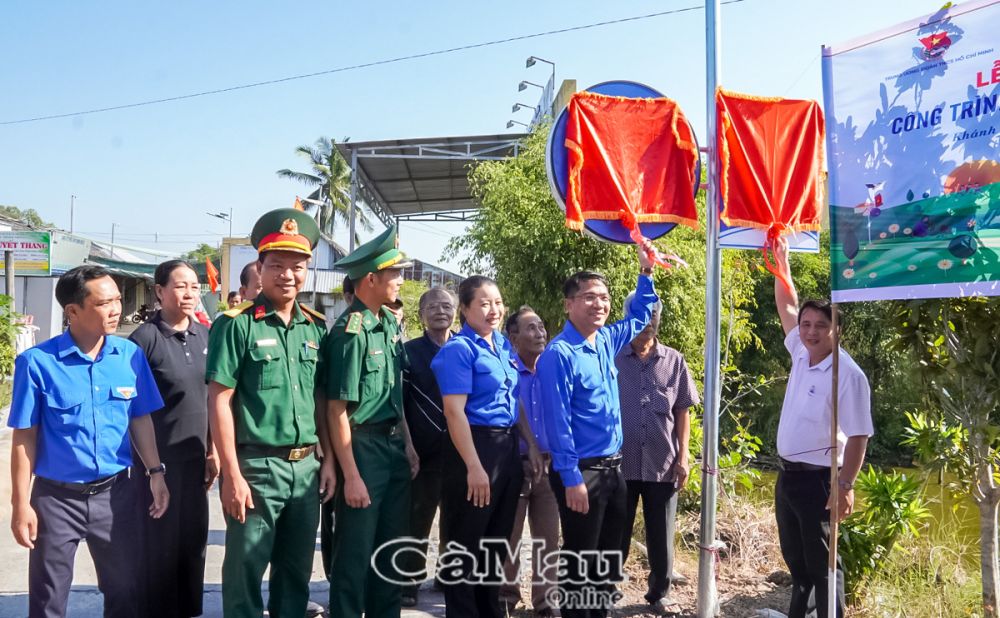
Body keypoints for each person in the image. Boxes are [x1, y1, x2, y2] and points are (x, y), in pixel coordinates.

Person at [8, 264, 169, 618]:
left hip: (117, 496)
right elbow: (25, 438)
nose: (116, 310)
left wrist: (156, 472)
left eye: (117, 300)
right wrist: (21, 505)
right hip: (55, 499)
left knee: (126, 590)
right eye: (104, 303)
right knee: (48, 597)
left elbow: (139, 418)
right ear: (73, 311)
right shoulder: (37, 363)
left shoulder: (128, 357)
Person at [206, 208, 335, 618]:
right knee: (245, 569)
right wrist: (231, 475)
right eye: (276, 266)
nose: (288, 275)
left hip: (306, 466)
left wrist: (327, 458)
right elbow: (219, 400)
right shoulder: (236, 325)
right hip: (257, 467)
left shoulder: (315, 327)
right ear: (259, 269)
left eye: (297, 267)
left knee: (295, 571)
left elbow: (319, 398)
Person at [538, 245, 658, 618]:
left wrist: (646, 272)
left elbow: (639, 316)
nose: (599, 305)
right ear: (568, 305)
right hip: (582, 472)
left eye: (604, 298)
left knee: (608, 560)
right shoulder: (559, 354)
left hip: (613, 470)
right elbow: (557, 422)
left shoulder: (604, 341)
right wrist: (571, 478)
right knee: (580, 561)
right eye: (589, 297)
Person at [771, 239, 872, 618]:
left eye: (821, 326)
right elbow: (788, 305)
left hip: (821, 481)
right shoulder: (800, 350)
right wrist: (783, 264)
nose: (811, 332)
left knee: (824, 565)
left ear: (836, 329)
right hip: (788, 476)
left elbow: (859, 434)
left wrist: (845, 485)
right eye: (807, 325)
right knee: (797, 561)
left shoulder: (847, 374)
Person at [323, 226, 419, 618]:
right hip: (361, 450)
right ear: (371, 279)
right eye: (394, 274)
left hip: (393, 446)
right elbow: (336, 411)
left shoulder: (386, 325)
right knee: (355, 552)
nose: (400, 280)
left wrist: (408, 445)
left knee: (390, 548)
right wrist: (353, 475)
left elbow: (393, 395)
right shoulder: (351, 332)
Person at [431, 276, 535, 618]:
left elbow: (512, 400)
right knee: (467, 543)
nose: (495, 310)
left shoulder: (503, 345)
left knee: (496, 542)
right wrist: (474, 466)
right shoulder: (459, 350)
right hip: (474, 447)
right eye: (485, 303)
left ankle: (489, 610)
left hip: (506, 447)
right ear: (465, 309)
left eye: (498, 302)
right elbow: (454, 411)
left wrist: (529, 444)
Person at [129, 260, 215, 618]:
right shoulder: (143, 341)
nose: (189, 294)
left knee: (192, 544)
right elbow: (135, 411)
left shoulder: (205, 335)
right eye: (180, 286)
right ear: (160, 291)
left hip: (196, 461)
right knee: (159, 548)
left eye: (195, 286)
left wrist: (214, 452)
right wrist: (154, 471)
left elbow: (213, 398)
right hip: (158, 466)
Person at [615, 295, 697, 614]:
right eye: (641, 315)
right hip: (619, 462)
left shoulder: (674, 360)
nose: (649, 321)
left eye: (654, 315)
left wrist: (684, 457)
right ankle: (607, 588)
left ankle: (658, 593)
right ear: (628, 317)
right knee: (615, 530)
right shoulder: (612, 357)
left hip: (662, 462)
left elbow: (683, 411)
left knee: (661, 532)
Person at [499, 306, 560, 617]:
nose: (540, 334)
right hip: (514, 464)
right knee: (510, 536)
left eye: (541, 327)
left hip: (550, 467)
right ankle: (507, 596)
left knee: (548, 537)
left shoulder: (553, 369)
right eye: (531, 329)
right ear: (513, 337)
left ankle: (546, 600)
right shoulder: (505, 371)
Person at [400, 287, 457, 607]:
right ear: (421, 315)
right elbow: (400, 404)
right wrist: (408, 446)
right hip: (422, 451)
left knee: (456, 516)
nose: (440, 311)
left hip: (460, 449)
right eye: (433, 306)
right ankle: (409, 579)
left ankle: (449, 575)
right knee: (417, 517)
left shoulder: (465, 348)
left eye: (446, 306)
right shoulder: (408, 352)